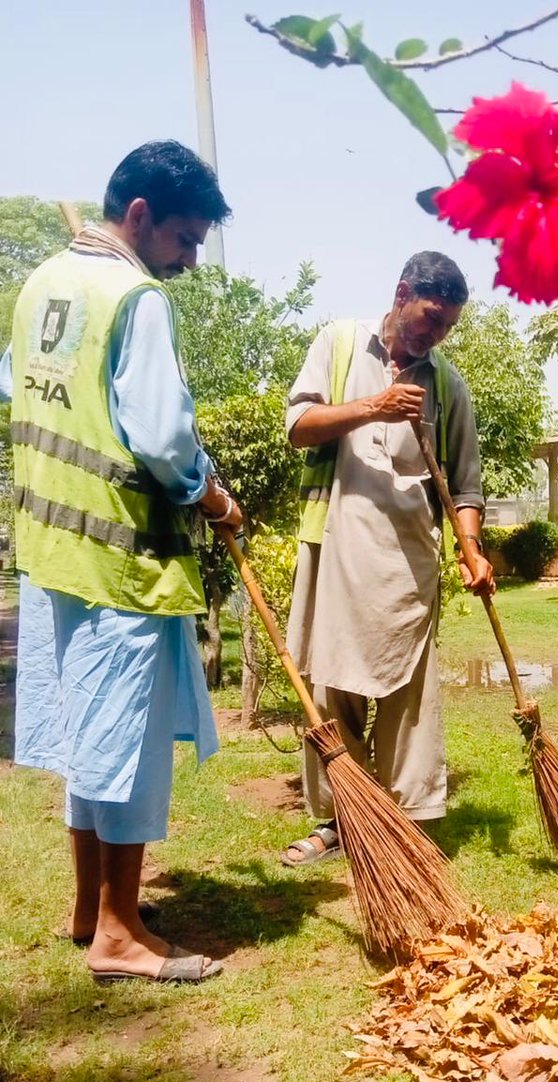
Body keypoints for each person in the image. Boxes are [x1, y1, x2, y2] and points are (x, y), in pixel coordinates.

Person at [1, 141, 241, 983]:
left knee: (83, 736)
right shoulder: (134, 296)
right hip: (122, 561)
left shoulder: (39, 286)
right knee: (127, 747)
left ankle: (87, 908)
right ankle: (118, 933)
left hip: (50, 554)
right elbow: (164, 438)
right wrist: (213, 499)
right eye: (185, 238)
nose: (189, 259)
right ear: (140, 217)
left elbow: (17, 387)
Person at [281, 251, 493, 866]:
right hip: (335, 544)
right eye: (430, 318)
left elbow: (466, 486)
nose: (435, 334)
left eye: (447, 326)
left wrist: (471, 551)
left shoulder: (448, 387)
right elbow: (298, 425)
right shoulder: (341, 343)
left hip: (407, 560)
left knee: (410, 695)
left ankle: (408, 821)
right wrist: (373, 408)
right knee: (330, 686)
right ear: (401, 294)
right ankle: (339, 819)